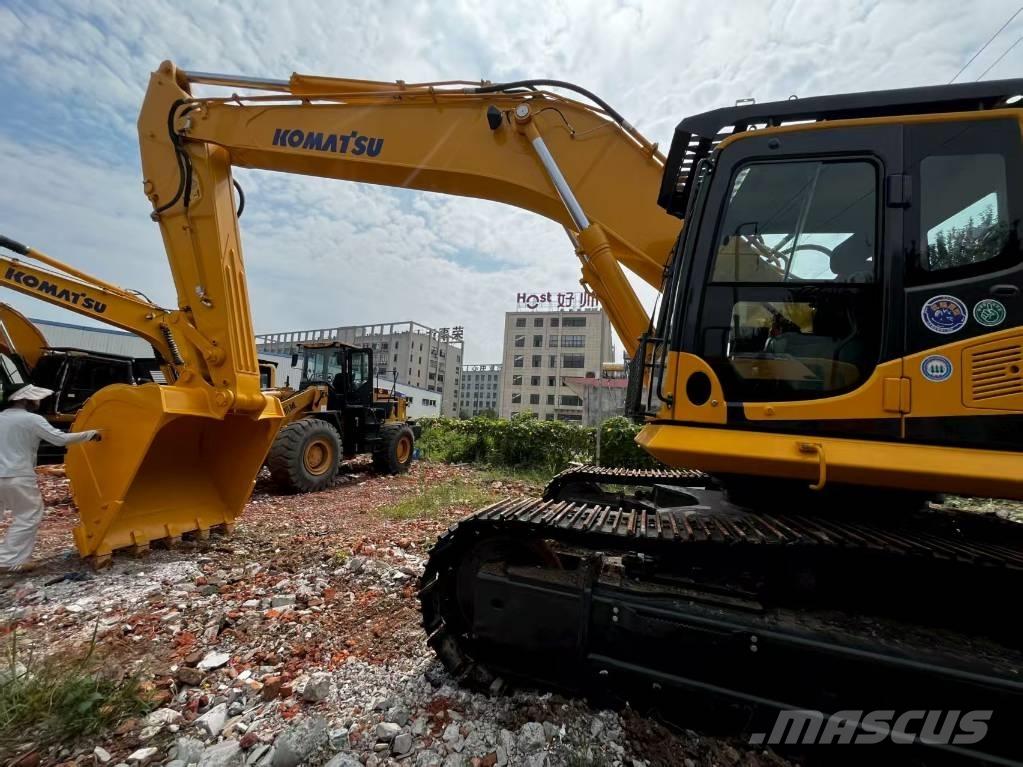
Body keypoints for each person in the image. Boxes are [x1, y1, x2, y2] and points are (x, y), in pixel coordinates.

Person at [0, 384, 101, 572]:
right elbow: (60, 439)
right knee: (28, 515)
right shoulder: (31, 419)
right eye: (36, 398)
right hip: (17, 474)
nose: (39, 402)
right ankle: (7, 560)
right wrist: (92, 434)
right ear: (26, 399)